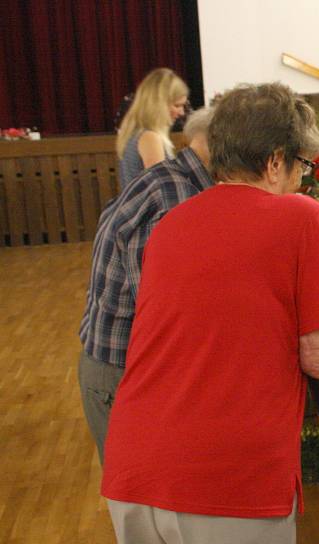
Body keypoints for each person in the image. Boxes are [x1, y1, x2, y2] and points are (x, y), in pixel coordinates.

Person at [101, 83, 319, 544]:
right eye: (301, 167)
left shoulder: (173, 224)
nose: (301, 181)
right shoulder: (299, 217)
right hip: (226, 475)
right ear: (273, 162)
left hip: (136, 464)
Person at [79, 107, 215, 464]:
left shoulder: (172, 180)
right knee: (142, 505)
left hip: (119, 367)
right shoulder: (175, 195)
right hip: (122, 374)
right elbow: (163, 310)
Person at [116, 68, 189, 188]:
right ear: (158, 103)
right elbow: (161, 189)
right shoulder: (149, 137)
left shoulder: (133, 132)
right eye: (177, 105)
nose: (181, 112)